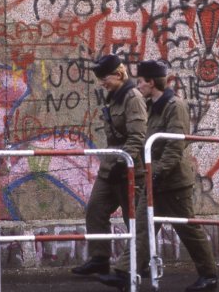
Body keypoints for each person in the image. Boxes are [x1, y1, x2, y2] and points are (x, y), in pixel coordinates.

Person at [98, 60, 217, 292]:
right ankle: (125, 273)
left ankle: (209, 275)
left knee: (188, 230)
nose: (137, 85)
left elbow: (175, 147)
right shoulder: (152, 105)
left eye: (141, 81)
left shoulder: (175, 106)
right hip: (155, 178)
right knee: (142, 226)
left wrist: (155, 172)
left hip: (173, 183)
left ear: (151, 82)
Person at [71, 55, 147, 277]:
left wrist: (123, 164)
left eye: (105, 77)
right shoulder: (112, 97)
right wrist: (113, 166)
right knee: (95, 209)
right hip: (110, 167)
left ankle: (138, 264)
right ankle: (99, 258)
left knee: (132, 218)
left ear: (119, 74)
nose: (102, 82)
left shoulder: (132, 98)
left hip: (130, 168)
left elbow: (137, 136)